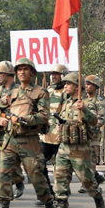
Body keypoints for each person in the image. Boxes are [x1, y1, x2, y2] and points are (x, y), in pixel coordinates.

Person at [0, 58, 56, 208]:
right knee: (3, 175)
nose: (22, 72)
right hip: (10, 139)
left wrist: (25, 119)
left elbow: (44, 116)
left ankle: (49, 204)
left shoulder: (41, 92)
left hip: (29, 140)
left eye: (26, 69)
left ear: (32, 73)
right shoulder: (12, 93)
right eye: (19, 70)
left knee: (36, 176)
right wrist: (0, 120)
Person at [53, 73, 105, 208]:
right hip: (65, 145)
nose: (65, 86)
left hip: (80, 148)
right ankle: (61, 203)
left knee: (86, 179)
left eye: (68, 84)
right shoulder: (67, 103)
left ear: (77, 86)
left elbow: (94, 121)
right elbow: (64, 119)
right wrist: (60, 127)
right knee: (60, 175)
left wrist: (85, 110)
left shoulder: (86, 103)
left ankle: (97, 197)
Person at [0, 61, 26, 199]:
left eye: (0, 73)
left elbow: (20, 111)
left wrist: (8, 119)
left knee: (13, 161)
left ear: (8, 74)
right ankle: (3, 185)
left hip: (12, 131)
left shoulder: (18, 90)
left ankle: (18, 181)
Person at [40, 64, 68, 199]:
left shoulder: (67, 91)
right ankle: (47, 191)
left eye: (57, 74)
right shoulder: (48, 90)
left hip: (60, 134)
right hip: (46, 134)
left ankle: (59, 193)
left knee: (60, 167)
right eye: (52, 74)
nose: (54, 76)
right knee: (39, 163)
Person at [81, 75, 105, 190]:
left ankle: (88, 183)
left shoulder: (99, 101)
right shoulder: (82, 100)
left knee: (91, 159)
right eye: (85, 84)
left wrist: (92, 125)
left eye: (89, 84)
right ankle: (95, 177)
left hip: (93, 135)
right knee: (82, 159)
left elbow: (101, 119)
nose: (86, 86)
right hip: (81, 134)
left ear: (95, 87)